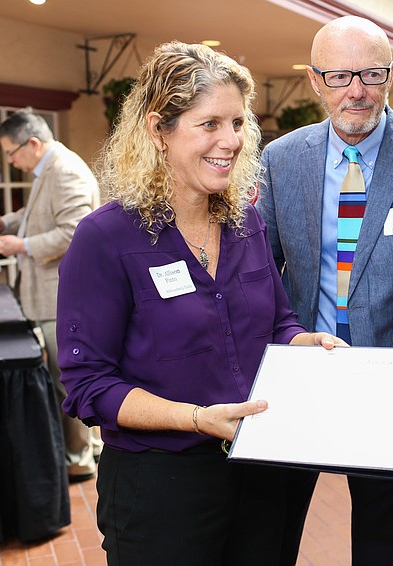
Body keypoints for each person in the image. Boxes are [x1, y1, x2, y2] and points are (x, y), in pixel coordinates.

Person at [56, 41, 344, 565]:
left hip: (261, 470)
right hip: (161, 487)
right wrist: (195, 418)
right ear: (157, 130)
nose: (230, 141)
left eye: (237, 123)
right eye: (209, 124)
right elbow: (89, 386)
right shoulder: (105, 238)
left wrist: (305, 342)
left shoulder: (246, 222)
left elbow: (278, 321)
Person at [257, 16, 393, 565]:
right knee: (272, 534)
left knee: (380, 544)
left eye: (371, 74)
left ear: (389, 75)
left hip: (388, 377)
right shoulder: (281, 159)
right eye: (339, 76)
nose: (356, 90)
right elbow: (261, 266)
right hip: (300, 373)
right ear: (314, 80)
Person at [0, 108, 100, 483]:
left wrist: (21, 245)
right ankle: (91, 446)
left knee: (67, 380)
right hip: (51, 296)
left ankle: (79, 459)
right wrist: (8, 222)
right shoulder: (49, 167)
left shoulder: (64, 170)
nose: (11, 162)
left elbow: (75, 231)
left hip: (62, 297)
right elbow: (41, 215)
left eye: (11, 153)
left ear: (32, 144)